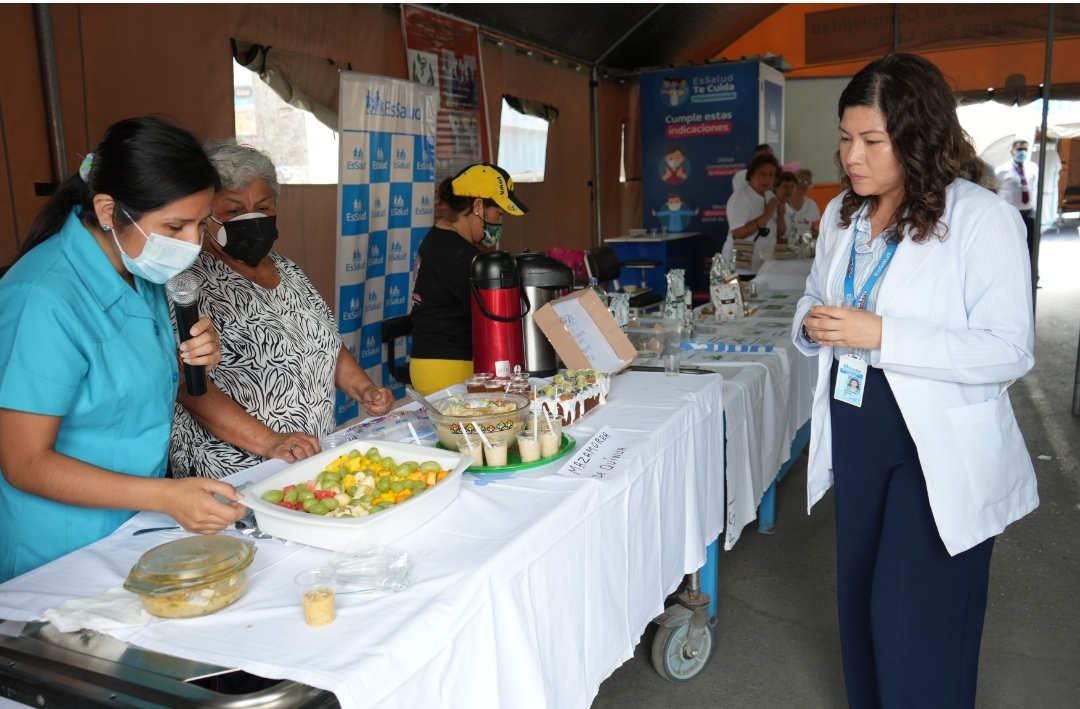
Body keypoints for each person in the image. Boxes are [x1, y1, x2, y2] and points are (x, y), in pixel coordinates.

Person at [794, 54, 1038, 709]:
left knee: (913, 621)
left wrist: (883, 335)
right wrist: (813, 323)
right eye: (846, 138)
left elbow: (1009, 349)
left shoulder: (982, 219)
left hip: (936, 443)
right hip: (860, 427)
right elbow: (817, 294)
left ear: (918, 135)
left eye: (872, 140)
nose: (852, 155)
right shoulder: (841, 217)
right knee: (860, 606)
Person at [0, 117, 242, 582]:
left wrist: (187, 361)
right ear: (109, 209)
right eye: (175, 225)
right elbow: (25, 462)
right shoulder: (42, 298)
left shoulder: (137, 271)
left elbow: (115, 381)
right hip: (59, 551)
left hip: (130, 531)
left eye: (200, 223)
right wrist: (165, 497)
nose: (193, 243)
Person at [170, 140, 394, 480]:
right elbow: (188, 386)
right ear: (205, 215)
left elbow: (325, 342)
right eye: (232, 210)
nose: (251, 218)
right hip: (231, 471)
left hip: (305, 459)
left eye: (263, 207)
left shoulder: (287, 270)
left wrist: (364, 389)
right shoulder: (186, 284)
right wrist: (271, 442)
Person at [409, 163, 527, 395]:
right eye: (499, 214)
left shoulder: (438, 238)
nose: (500, 224)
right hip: (447, 369)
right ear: (478, 206)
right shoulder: (460, 255)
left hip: (433, 363)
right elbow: (492, 317)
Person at [723, 153, 784, 276]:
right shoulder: (740, 197)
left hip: (765, 265)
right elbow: (739, 232)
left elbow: (779, 232)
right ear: (751, 175)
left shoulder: (770, 196)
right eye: (762, 173)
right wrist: (767, 214)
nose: (767, 179)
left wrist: (781, 214)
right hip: (741, 268)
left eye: (771, 175)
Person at [995, 139, 1038, 262]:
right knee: (1011, 244)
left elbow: (1035, 187)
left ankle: (1032, 275)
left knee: (1031, 245)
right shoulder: (1001, 170)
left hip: (1029, 212)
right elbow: (996, 191)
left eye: (1025, 149)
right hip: (1011, 213)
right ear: (1012, 151)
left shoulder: (1032, 167)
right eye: (1020, 149)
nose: (1023, 152)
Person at [789, 168, 822, 239]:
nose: (803, 184)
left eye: (807, 181)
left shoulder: (811, 204)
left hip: (805, 245)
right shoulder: (785, 202)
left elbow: (812, 228)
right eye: (799, 181)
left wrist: (817, 233)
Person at [774, 171, 798, 244]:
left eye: (792, 187)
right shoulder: (771, 205)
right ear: (775, 187)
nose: (789, 190)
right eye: (785, 186)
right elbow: (775, 235)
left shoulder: (788, 205)